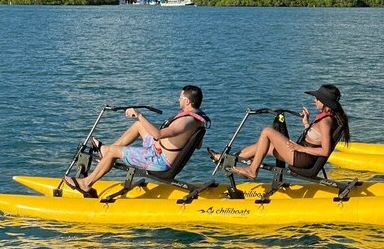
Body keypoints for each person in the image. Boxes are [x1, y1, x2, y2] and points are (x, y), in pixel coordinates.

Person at [64, 85, 208, 197]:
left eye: (181, 98)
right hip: (159, 150)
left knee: (115, 150)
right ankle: (107, 153)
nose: (178, 100)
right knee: (139, 127)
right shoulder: (198, 119)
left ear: (188, 101)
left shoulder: (185, 122)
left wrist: (138, 115)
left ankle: (86, 183)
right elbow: (198, 145)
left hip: (158, 160)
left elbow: (157, 134)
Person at [222, 84, 350, 180]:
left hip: (302, 158)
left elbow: (325, 150)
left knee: (267, 131)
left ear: (324, 101)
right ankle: (226, 160)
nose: (314, 100)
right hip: (301, 154)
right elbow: (315, 138)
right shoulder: (326, 119)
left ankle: (252, 170)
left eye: (317, 98)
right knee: (264, 146)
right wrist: (306, 122)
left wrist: (300, 148)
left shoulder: (325, 122)